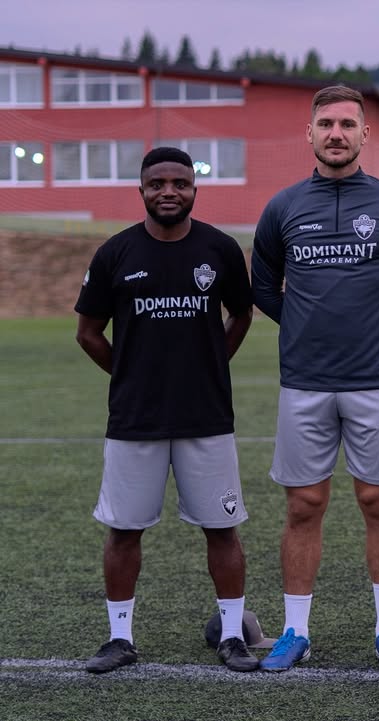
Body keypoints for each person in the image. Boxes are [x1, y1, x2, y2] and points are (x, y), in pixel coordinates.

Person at [250, 85, 379, 672]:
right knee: (304, 506)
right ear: (310, 133)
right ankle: (294, 632)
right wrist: (303, 328)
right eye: (326, 124)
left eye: (347, 125)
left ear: (364, 134)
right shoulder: (282, 207)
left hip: (374, 380)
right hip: (304, 382)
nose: (336, 133)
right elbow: (263, 287)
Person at [75, 147, 257, 674]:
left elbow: (242, 314)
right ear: (142, 191)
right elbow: (88, 332)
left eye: (180, 182)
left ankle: (232, 636)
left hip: (206, 417)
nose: (169, 191)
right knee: (123, 530)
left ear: (195, 189)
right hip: (135, 420)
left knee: (222, 527)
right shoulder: (115, 252)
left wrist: (212, 362)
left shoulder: (220, 249)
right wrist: (130, 373)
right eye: (158, 184)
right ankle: (120, 639)